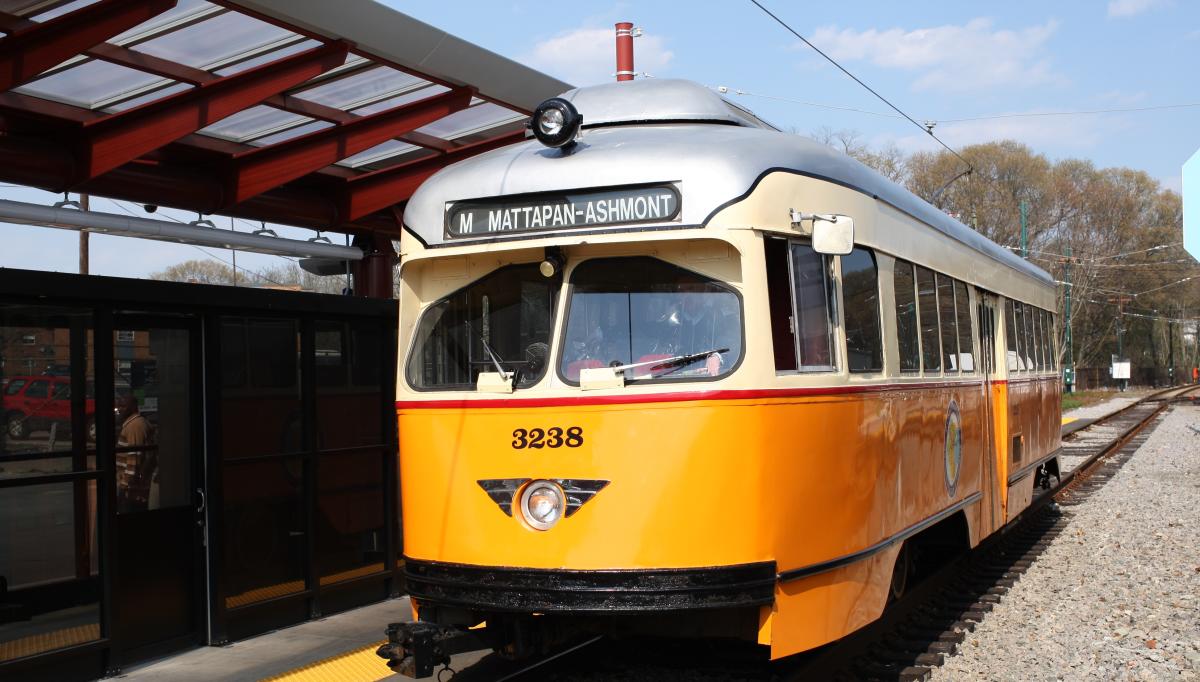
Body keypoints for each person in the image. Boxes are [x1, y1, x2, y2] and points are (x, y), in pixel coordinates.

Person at [116, 395, 155, 511]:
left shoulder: (135, 426)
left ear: (133, 407)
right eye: (119, 406)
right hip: (131, 485)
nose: (120, 409)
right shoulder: (133, 424)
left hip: (132, 487)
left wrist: (125, 485)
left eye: (123, 406)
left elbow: (134, 459)